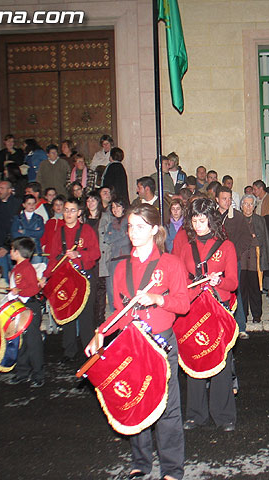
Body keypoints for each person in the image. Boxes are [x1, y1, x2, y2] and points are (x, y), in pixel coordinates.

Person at [86, 204, 188, 480]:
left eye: (140, 226)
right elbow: (119, 312)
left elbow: (183, 304)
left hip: (160, 344)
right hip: (132, 343)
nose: (133, 232)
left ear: (155, 229)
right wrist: (101, 333)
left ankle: (171, 469)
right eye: (130, 226)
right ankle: (141, 463)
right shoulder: (120, 267)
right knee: (135, 402)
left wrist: (157, 299)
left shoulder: (171, 263)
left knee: (167, 408)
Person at [177, 197, 238, 432]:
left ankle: (224, 416)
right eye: (194, 220)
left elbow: (232, 283)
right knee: (194, 357)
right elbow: (181, 282)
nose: (198, 225)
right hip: (194, 309)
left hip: (218, 308)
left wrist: (218, 280)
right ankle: (195, 414)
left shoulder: (227, 246)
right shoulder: (185, 248)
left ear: (211, 220)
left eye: (202, 220)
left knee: (221, 361)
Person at [41, 198, 100, 364]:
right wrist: (46, 276)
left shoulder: (86, 230)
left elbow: (95, 253)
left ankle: (88, 352)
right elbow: (53, 258)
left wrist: (79, 255)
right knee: (67, 315)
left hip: (84, 279)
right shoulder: (58, 232)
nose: (68, 213)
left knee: (86, 318)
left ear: (79, 212)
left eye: (72, 210)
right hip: (66, 280)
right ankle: (69, 350)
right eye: (66, 210)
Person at [6, 237, 44, 388]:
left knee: (33, 343)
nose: (10, 252)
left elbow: (34, 289)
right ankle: (22, 372)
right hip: (22, 308)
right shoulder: (17, 269)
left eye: (12, 249)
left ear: (17, 252)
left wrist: (18, 291)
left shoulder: (26, 268)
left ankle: (38, 374)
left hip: (31, 308)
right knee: (24, 342)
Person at [216, 186, 252, 339]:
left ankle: (240, 326)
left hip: (232, 261)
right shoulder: (212, 216)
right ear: (217, 200)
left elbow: (247, 238)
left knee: (234, 292)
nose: (227, 201)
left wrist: (235, 253)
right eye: (224, 198)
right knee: (216, 294)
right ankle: (219, 326)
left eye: (229, 198)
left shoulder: (237, 216)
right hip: (215, 262)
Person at [239, 194, 269, 324]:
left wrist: (268, 257)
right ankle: (243, 315)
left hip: (255, 259)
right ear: (241, 206)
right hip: (241, 260)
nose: (248, 207)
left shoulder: (259, 220)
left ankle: (257, 315)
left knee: (256, 288)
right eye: (246, 204)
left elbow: (265, 239)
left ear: (254, 207)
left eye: (251, 204)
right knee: (242, 289)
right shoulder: (237, 219)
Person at [101, 196, 131, 316]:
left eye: (117, 206)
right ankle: (115, 314)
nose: (115, 209)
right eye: (112, 207)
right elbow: (107, 239)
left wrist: (116, 239)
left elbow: (128, 240)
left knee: (126, 288)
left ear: (123, 207)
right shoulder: (111, 223)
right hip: (113, 259)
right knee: (112, 288)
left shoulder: (129, 221)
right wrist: (121, 235)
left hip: (126, 258)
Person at [10, 194, 45, 260]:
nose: (31, 206)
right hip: (21, 251)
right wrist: (33, 232)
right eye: (29, 203)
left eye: (33, 203)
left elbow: (40, 233)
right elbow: (15, 234)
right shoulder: (17, 218)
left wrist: (24, 231)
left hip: (36, 250)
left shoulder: (39, 218)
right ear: (24, 205)